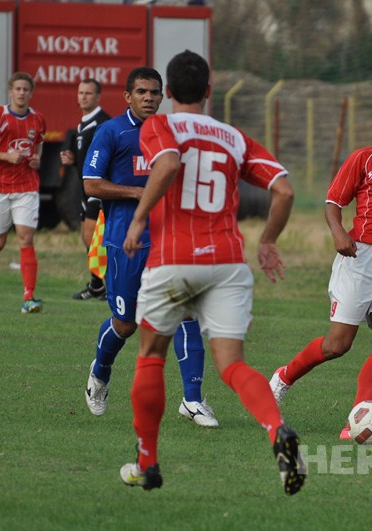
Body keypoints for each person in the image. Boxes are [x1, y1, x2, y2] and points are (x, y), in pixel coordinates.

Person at [119, 50, 306, 495]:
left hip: (174, 259)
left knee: (150, 356)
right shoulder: (234, 137)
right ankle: (277, 429)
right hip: (226, 262)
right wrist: (267, 241)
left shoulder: (159, 126)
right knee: (232, 364)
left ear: (167, 91)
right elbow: (284, 191)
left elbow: (167, 163)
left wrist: (140, 218)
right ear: (208, 90)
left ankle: (147, 463)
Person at [269, 93, 372, 440]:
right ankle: (284, 377)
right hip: (360, 260)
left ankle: (359, 419)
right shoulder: (364, 158)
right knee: (337, 345)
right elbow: (333, 203)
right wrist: (338, 233)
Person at [82, 66, 218, 428]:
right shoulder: (112, 131)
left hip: (170, 240)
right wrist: (138, 192)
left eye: (155, 92)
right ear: (128, 96)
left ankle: (192, 399)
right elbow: (91, 184)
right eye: (141, 92)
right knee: (126, 324)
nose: (149, 98)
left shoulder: (173, 132)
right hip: (125, 241)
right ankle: (100, 372)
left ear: (163, 95)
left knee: (187, 312)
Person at [0, 72, 46, 314]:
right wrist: (5, 156)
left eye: (26, 89)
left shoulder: (38, 119)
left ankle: (29, 298)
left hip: (26, 186)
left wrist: (37, 159)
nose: (22, 93)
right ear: (10, 91)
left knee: (25, 238)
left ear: (31, 93)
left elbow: (39, 143)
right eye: (18, 89)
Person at [60, 78, 111, 301]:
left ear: (98, 97)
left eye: (88, 93)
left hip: (98, 188)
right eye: (80, 93)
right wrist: (73, 161)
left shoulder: (103, 123)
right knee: (86, 236)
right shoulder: (82, 125)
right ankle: (97, 285)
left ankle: (110, 284)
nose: (83, 97)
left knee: (94, 237)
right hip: (84, 188)